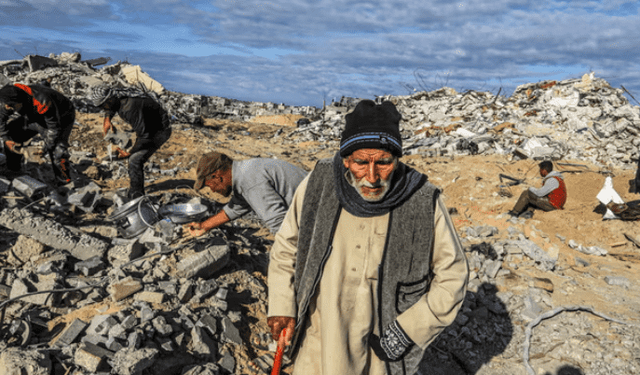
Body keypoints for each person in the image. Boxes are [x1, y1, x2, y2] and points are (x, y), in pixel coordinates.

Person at [266, 100, 469, 375]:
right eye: (361, 163)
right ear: (346, 159)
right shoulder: (318, 184)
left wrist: (410, 329)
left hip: (381, 345)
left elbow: (453, 275)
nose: (372, 177)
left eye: (383, 163)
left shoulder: (422, 200)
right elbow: (286, 247)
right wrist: (281, 305)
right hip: (319, 333)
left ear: (397, 159)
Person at [188, 152, 307, 236]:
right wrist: (204, 226)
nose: (213, 190)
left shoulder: (249, 182)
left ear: (217, 176)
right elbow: (234, 209)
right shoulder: (244, 171)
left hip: (318, 211)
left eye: (210, 185)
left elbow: (278, 223)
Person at [90, 85, 172, 200]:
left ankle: (137, 195)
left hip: (160, 131)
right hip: (149, 126)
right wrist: (107, 118)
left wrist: (129, 151)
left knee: (134, 160)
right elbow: (111, 106)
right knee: (134, 149)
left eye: (103, 106)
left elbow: (144, 135)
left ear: (110, 99)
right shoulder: (118, 98)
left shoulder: (130, 108)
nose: (103, 109)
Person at [0, 83, 75, 184]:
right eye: (7, 105)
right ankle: (14, 169)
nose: (8, 107)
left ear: (19, 101)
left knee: (58, 149)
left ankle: (64, 180)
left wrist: (47, 146)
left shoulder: (42, 101)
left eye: (12, 106)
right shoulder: (10, 100)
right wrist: (6, 139)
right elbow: (1, 119)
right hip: (34, 116)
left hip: (61, 117)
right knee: (13, 131)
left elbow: (54, 128)